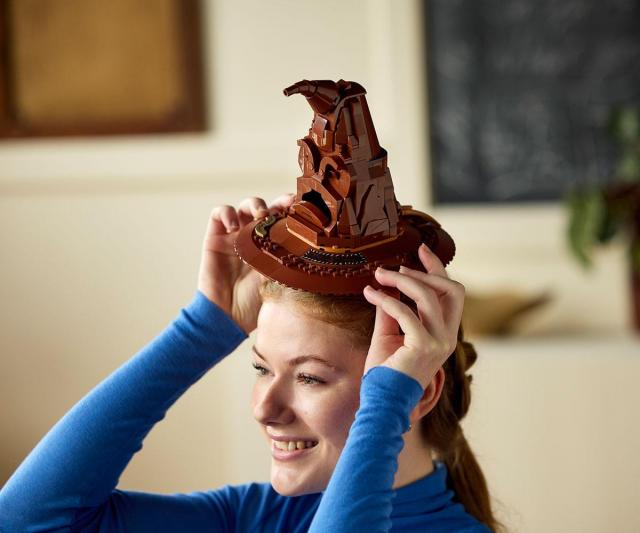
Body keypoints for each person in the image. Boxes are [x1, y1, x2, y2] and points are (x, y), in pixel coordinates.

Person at [0, 80, 503, 532]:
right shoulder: (255, 517)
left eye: (310, 377)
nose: (264, 409)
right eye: (262, 368)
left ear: (417, 392)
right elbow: (29, 521)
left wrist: (388, 404)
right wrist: (203, 328)